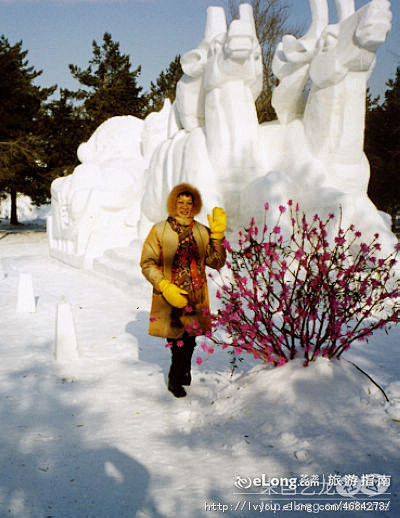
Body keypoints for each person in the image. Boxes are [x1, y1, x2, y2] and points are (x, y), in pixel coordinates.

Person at [140, 183, 226, 398]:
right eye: (181, 202)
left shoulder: (201, 231)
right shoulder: (159, 230)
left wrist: (216, 237)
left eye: (189, 203)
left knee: (191, 338)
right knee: (177, 340)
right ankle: (174, 378)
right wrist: (163, 285)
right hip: (171, 294)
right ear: (173, 204)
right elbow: (147, 262)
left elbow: (216, 262)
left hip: (196, 294)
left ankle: (184, 370)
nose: (185, 207)